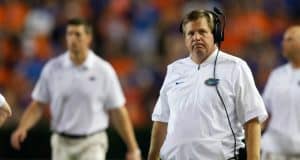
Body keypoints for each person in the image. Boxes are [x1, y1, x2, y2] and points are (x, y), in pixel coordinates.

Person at [11, 18, 141, 160]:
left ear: (88, 38)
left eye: (78, 34)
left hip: (92, 142)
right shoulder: (53, 68)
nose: (73, 39)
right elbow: (38, 104)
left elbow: (118, 110)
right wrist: (23, 127)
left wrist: (132, 147)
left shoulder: (103, 70)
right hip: (61, 143)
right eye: (69, 34)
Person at [147, 9, 268, 160]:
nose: (196, 37)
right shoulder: (174, 70)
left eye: (202, 32)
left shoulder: (235, 67)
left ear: (215, 35)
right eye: (191, 33)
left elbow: (252, 120)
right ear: (185, 39)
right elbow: (161, 120)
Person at [261, 26, 300, 160]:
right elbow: (263, 112)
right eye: (283, 39)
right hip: (273, 150)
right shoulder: (277, 75)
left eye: (289, 39)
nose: (283, 43)